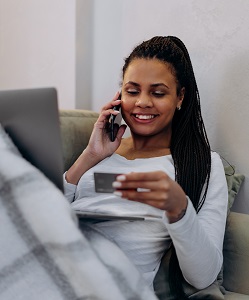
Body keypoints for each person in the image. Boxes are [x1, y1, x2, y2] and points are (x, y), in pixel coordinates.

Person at [64, 36, 228, 299]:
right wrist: (89, 156)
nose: (142, 102)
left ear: (180, 97)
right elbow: (46, 215)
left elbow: (203, 275)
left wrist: (179, 209)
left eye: (158, 92)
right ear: (119, 96)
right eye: (132, 91)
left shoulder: (202, 165)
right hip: (59, 259)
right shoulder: (103, 151)